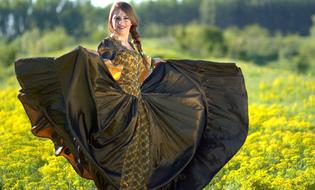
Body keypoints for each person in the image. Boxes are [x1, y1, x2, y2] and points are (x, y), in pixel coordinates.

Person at [14, 1, 248, 190]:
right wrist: (94, 60)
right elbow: (105, 68)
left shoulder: (134, 48)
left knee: (147, 158)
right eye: (117, 18)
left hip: (142, 109)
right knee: (122, 159)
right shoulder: (107, 44)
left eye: (125, 17)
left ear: (132, 21)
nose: (121, 22)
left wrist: (160, 64)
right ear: (111, 21)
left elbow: (143, 73)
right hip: (119, 109)